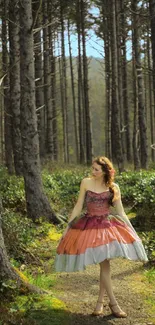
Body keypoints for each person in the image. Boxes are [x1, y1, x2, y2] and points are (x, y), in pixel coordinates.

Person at [55, 156, 148, 318]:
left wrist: (132, 231)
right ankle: (112, 304)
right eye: (92, 168)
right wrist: (68, 225)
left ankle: (103, 304)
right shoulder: (86, 182)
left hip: (107, 228)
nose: (93, 172)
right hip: (89, 227)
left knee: (105, 264)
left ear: (105, 171)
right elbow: (78, 205)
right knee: (104, 265)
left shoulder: (114, 187)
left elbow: (121, 212)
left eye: (96, 169)